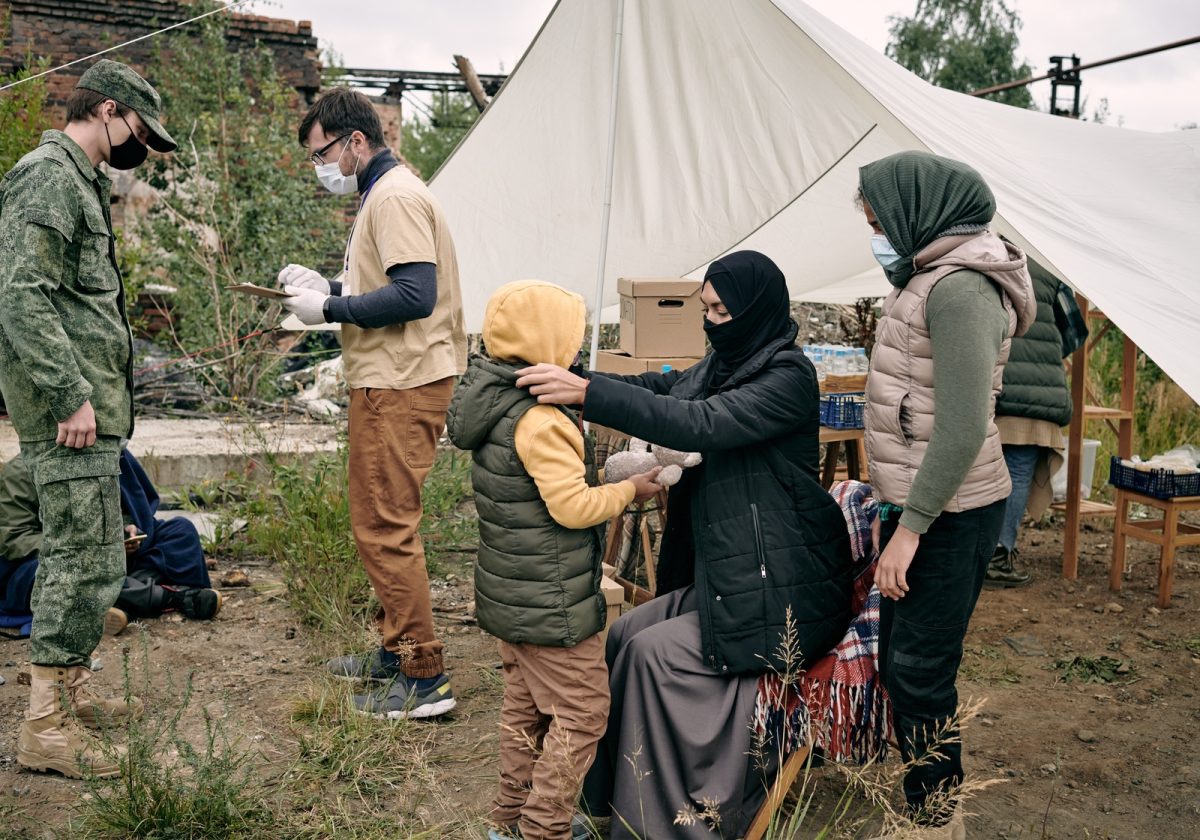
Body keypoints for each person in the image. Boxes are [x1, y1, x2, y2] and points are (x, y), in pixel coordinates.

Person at [515, 251, 853, 839]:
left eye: (722, 310)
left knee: (653, 654)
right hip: (742, 573)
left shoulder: (787, 377)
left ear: (756, 309)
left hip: (783, 586)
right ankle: (608, 802)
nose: (711, 321)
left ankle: (664, 822)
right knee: (622, 635)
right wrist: (578, 382)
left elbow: (700, 422)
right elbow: (663, 389)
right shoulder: (726, 363)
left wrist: (587, 393)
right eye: (706, 309)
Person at [0, 59, 176, 778]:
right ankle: (44, 729)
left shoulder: (82, 180)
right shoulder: (47, 177)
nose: (143, 146)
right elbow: (22, 296)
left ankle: (69, 691)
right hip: (68, 410)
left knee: (99, 556)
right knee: (76, 559)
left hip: (91, 408)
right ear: (107, 111)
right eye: (140, 130)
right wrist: (69, 393)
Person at [858, 150, 1035, 837]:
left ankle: (934, 823)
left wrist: (911, 530)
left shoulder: (961, 290)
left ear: (919, 212)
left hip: (951, 513)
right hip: (923, 504)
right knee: (902, 665)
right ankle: (924, 809)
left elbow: (960, 428)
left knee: (920, 671)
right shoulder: (928, 277)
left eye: (880, 223)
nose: (876, 236)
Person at [447, 280, 663, 840]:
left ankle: (508, 820)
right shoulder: (541, 420)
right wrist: (628, 490)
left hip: (512, 591)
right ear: (547, 342)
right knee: (585, 712)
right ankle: (544, 828)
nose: (577, 347)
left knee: (524, 708)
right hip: (552, 602)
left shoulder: (497, 401)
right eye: (573, 336)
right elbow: (570, 508)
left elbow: (532, 493)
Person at [277, 88, 467, 718]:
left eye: (322, 154)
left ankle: (422, 676)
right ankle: (395, 650)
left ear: (355, 141)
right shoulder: (380, 194)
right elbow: (386, 284)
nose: (320, 168)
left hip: (402, 381)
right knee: (376, 520)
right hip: (389, 377)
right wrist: (328, 286)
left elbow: (415, 294)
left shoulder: (394, 197)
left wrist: (330, 308)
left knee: (387, 525)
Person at [0, 449, 221, 636]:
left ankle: (119, 600)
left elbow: (131, 512)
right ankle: (170, 597)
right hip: (52, 562)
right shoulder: (23, 471)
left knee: (180, 531)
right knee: (62, 569)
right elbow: (15, 538)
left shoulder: (104, 454)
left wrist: (127, 530)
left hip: (111, 559)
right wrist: (82, 548)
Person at [987, 257, 1074, 587]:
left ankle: (975, 553)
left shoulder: (984, 254)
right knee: (1019, 472)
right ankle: (999, 556)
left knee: (977, 472)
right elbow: (1075, 332)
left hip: (992, 384)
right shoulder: (1051, 265)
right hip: (1038, 392)